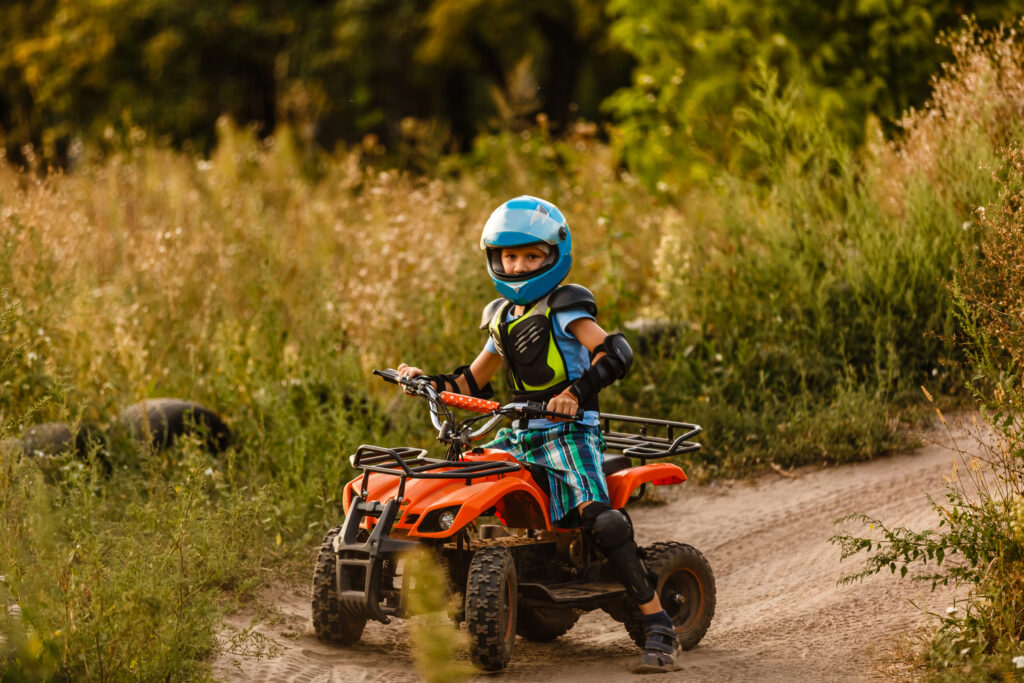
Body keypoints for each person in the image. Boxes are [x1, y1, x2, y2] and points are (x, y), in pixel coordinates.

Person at [397, 195, 679, 673]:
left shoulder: (565, 307)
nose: (519, 265)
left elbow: (616, 353)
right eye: (509, 256)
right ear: (494, 259)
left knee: (603, 521)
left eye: (532, 255)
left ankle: (658, 625)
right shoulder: (502, 317)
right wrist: (428, 382)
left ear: (554, 256)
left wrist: (576, 391)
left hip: (570, 434)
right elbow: (471, 381)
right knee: (457, 483)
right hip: (520, 433)